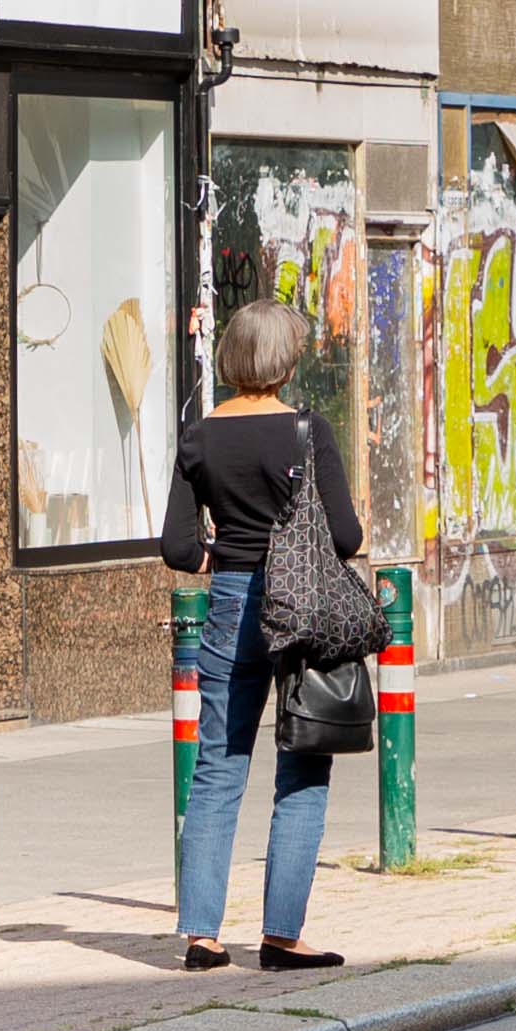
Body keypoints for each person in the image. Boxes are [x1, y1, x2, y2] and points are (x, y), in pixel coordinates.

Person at [163, 298, 362, 973]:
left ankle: (202, 936)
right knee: (304, 760)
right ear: (285, 361)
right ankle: (280, 937)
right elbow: (345, 536)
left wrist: (217, 558)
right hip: (300, 609)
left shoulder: (199, 436)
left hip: (230, 604)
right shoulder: (308, 431)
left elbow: (176, 546)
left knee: (218, 765)